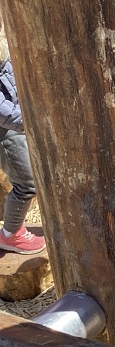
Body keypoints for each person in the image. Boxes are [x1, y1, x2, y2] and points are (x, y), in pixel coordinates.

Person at [0, 24, 46, 255]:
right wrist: (33, 122)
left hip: (17, 128)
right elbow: (3, 112)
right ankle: (11, 234)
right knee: (27, 184)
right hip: (7, 136)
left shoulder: (4, 57)